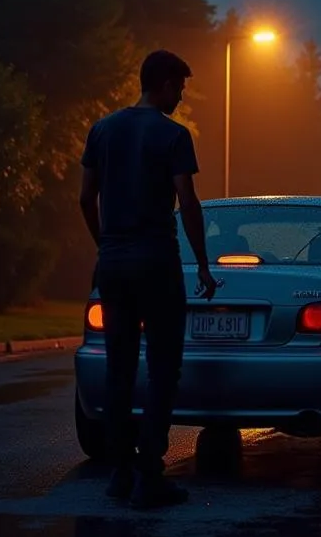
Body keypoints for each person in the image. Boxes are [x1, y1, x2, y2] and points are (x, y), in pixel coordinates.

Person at [79, 50, 218, 509]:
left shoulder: (101, 130)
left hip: (114, 263)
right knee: (162, 368)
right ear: (162, 84)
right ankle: (149, 474)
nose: (180, 96)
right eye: (179, 87)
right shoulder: (174, 135)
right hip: (158, 262)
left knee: (119, 366)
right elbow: (187, 201)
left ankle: (120, 470)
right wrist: (202, 262)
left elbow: (85, 197)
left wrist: (105, 245)